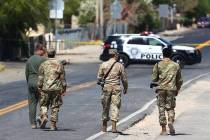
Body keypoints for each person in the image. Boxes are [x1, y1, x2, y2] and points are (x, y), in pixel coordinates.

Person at [152, 47, 183, 135]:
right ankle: (170, 121)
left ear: (163, 54)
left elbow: (154, 78)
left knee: (161, 108)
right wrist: (177, 89)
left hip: (161, 89)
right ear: (171, 54)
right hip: (171, 89)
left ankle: (164, 129)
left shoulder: (158, 64)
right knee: (170, 108)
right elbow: (179, 80)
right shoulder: (176, 65)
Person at [97, 49, 128, 133]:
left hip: (106, 88)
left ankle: (104, 128)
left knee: (105, 107)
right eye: (117, 55)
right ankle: (114, 128)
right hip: (116, 88)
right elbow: (124, 79)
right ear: (115, 55)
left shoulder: (103, 64)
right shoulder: (120, 65)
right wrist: (125, 88)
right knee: (115, 106)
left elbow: (99, 78)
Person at [37, 48, 67, 131]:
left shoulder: (43, 64)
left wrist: (39, 87)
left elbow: (40, 78)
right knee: (55, 106)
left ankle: (44, 115)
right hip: (56, 89)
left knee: (43, 104)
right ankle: (53, 125)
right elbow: (62, 78)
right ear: (55, 54)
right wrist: (64, 89)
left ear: (47, 54)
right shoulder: (59, 64)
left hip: (45, 88)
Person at [25, 43, 47, 129]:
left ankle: (33, 124)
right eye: (43, 50)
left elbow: (26, 73)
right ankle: (40, 117)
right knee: (43, 101)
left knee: (32, 103)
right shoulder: (43, 60)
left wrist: (29, 83)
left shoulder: (29, 60)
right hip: (40, 83)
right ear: (41, 50)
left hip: (31, 82)